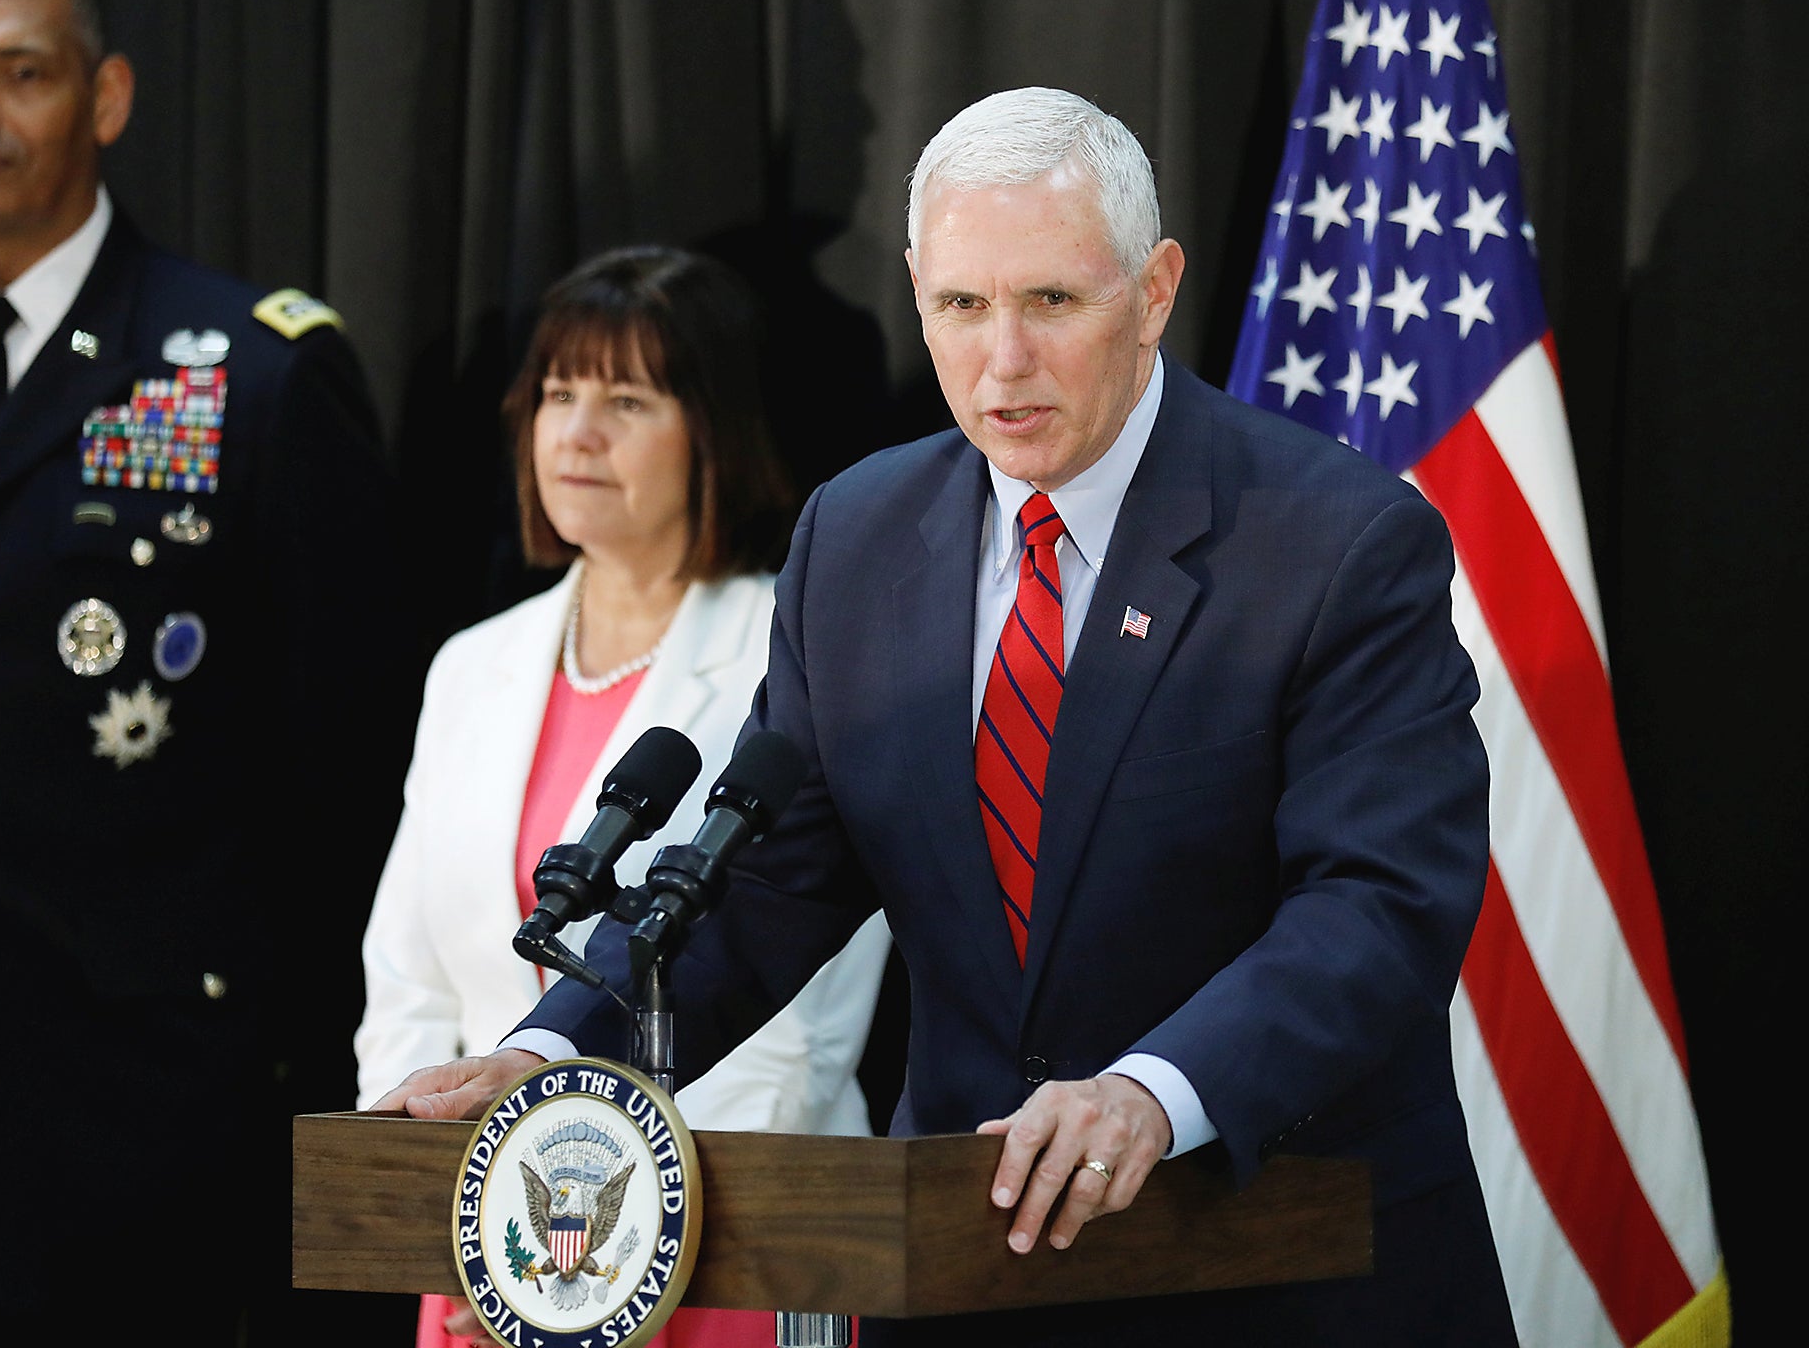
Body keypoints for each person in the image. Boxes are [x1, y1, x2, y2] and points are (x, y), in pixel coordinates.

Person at [377, 88, 1517, 1345]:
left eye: (1050, 302)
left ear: (1153, 291)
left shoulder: (1330, 539)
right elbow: (766, 880)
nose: (1001, 359)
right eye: (960, 306)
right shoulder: (856, 536)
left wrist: (1150, 1093)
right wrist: (554, 1056)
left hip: (1280, 1267)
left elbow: (1378, 905)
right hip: (970, 1269)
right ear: (917, 288)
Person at [0, 0, 417, 1343]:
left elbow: (345, 784)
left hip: (131, 1132)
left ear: (106, 98)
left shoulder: (251, 371)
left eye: (19, 73)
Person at [357, 245, 891, 1348]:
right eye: (556, 395)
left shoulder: (795, 649)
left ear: (713, 431)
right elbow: (406, 988)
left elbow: (798, 1036)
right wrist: (432, 1219)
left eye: (625, 399)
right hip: (485, 1260)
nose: (576, 432)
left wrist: (605, 1273)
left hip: (727, 1247)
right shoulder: (472, 664)